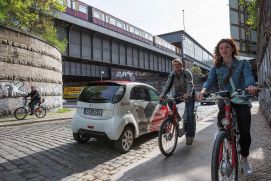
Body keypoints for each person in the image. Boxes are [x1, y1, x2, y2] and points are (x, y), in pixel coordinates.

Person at [197, 38, 257, 176]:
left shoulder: (243, 64)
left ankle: (244, 159)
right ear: (219, 52)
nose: (224, 50)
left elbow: (248, 77)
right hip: (225, 98)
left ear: (232, 49)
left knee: (245, 130)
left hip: (241, 98)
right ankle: (224, 137)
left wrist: (251, 86)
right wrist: (203, 91)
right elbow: (209, 81)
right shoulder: (216, 67)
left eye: (227, 47)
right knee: (222, 120)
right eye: (221, 48)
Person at [159, 58, 195, 145]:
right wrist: (162, 94)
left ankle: (189, 136)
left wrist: (188, 93)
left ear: (181, 65)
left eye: (178, 65)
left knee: (189, 115)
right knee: (169, 100)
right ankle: (177, 117)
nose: (176, 67)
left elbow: (190, 84)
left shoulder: (187, 73)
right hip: (178, 93)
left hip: (189, 94)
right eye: (174, 66)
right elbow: (168, 85)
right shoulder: (172, 74)